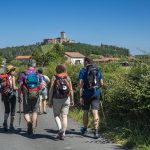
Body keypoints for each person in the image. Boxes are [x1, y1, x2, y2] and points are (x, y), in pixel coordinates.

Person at [79, 57, 103, 139]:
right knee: (95, 112)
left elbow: (80, 84)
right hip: (96, 93)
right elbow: (102, 83)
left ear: (86, 62)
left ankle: (84, 128)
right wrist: (96, 88)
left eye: (83, 61)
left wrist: (80, 96)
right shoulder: (98, 69)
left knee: (85, 112)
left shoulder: (83, 70)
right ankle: (96, 132)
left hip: (86, 94)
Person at [48, 64, 74, 140]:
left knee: (56, 115)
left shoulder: (54, 77)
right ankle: (63, 133)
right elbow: (71, 89)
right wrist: (72, 100)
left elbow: (51, 90)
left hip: (56, 99)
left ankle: (60, 129)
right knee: (64, 116)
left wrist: (49, 100)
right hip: (66, 98)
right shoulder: (67, 77)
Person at [18, 59, 40, 135]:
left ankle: (29, 122)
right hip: (36, 95)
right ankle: (33, 127)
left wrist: (19, 96)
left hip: (26, 95)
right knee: (34, 111)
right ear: (34, 65)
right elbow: (42, 85)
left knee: (26, 112)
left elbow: (20, 85)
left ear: (28, 65)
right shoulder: (37, 74)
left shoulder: (23, 74)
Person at [1, 65, 18, 132]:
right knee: (13, 111)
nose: (14, 71)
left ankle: (5, 122)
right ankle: (11, 125)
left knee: (7, 110)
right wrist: (18, 88)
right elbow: (14, 87)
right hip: (12, 96)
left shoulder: (4, 77)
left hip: (5, 95)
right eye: (13, 70)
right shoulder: (13, 77)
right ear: (10, 71)